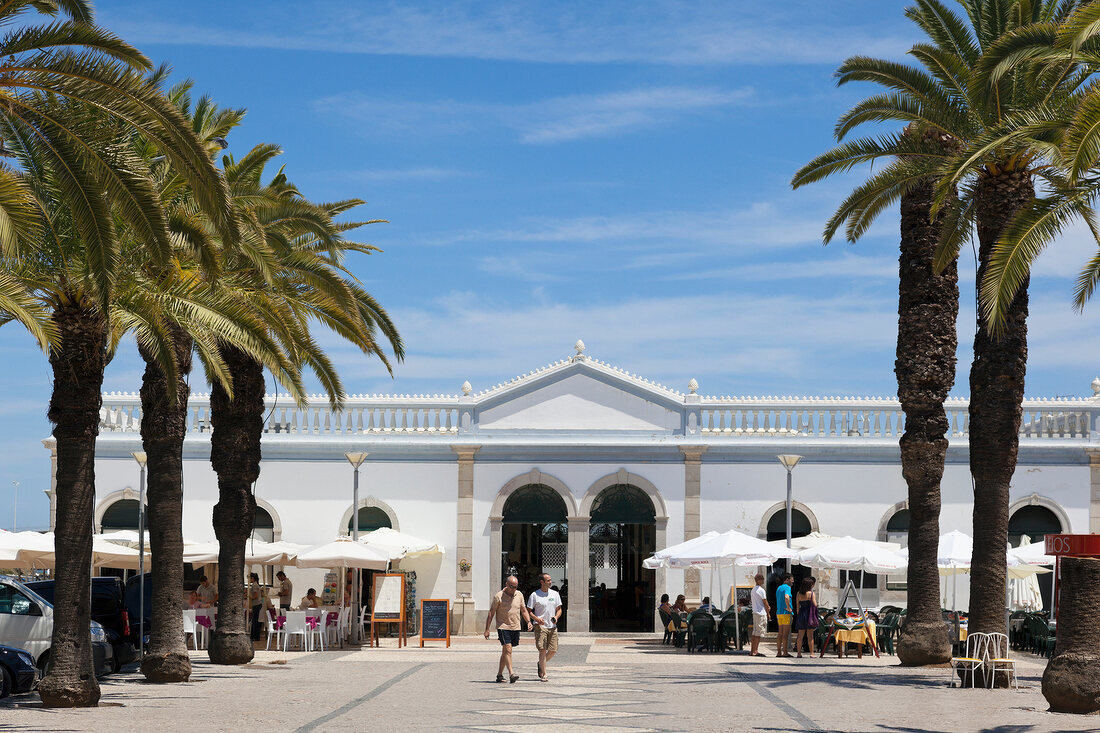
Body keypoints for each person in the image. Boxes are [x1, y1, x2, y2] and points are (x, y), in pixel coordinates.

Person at [484, 575, 532, 683]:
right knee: (508, 649)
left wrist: (528, 621)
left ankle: (499, 675)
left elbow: (523, 610)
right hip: (503, 626)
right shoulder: (499, 596)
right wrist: (487, 629)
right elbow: (491, 612)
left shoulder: (519, 595)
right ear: (506, 585)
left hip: (515, 627)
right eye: (511, 586)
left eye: (515, 587)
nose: (513, 589)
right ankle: (511, 674)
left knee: (506, 651)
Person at [526, 572, 562, 682]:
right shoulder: (535, 595)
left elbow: (559, 609)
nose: (550, 582)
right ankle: (544, 673)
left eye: (551, 580)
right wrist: (536, 619)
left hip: (552, 626)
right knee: (542, 649)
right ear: (542, 582)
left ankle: (541, 664)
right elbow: (529, 611)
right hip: (540, 626)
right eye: (548, 580)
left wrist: (556, 617)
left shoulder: (555, 594)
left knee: (553, 650)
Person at [793, 577, 818, 658]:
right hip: (809, 615)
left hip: (801, 614)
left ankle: (799, 653)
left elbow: (797, 606)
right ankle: (812, 653)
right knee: (810, 636)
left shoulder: (798, 594)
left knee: (800, 636)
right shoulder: (811, 594)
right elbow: (815, 604)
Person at [749, 573, 771, 657]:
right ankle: (755, 651)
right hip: (761, 613)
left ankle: (752, 650)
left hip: (755, 612)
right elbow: (765, 603)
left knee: (754, 632)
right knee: (758, 633)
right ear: (758, 580)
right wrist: (768, 612)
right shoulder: (761, 590)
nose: (763, 580)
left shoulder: (753, 590)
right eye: (762, 579)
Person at [775, 573, 794, 657]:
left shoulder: (779, 588)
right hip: (786, 613)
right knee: (785, 635)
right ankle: (785, 652)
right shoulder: (787, 587)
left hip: (779, 613)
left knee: (780, 633)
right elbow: (787, 597)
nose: (792, 582)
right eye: (791, 580)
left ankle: (779, 652)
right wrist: (789, 607)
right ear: (787, 579)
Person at [248, 572, 263, 642]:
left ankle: (255, 636)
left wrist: (249, 597)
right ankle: (255, 636)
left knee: (255, 621)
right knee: (255, 621)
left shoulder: (254, 585)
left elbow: (256, 595)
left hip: (256, 604)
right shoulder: (256, 585)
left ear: (252, 578)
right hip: (258, 604)